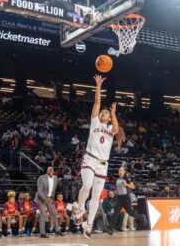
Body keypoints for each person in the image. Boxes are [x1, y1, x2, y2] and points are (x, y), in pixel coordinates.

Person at [72, 75, 123, 239]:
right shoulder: (95, 122)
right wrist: (98, 86)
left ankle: (88, 225)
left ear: (108, 117)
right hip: (90, 159)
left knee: (96, 197)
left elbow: (116, 130)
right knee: (86, 186)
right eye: (103, 112)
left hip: (103, 164)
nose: (103, 112)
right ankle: (79, 208)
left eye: (106, 112)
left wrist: (114, 114)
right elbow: (97, 103)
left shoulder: (110, 128)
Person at [34, 167, 63, 238]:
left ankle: (57, 231)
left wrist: (51, 198)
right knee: (43, 215)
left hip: (50, 198)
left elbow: (53, 189)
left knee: (54, 214)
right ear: (47, 171)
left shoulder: (55, 178)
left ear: (54, 171)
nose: (51, 171)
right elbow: (39, 191)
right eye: (49, 170)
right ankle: (42, 233)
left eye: (52, 170)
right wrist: (46, 199)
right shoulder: (41, 178)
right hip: (41, 198)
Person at [108, 167, 136, 235]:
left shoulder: (126, 178)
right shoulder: (117, 179)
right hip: (119, 197)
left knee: (131, 213)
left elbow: (133, 187)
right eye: (119, 170)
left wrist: (126, 184)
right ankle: (111, 229)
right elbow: (118, 189)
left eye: (121, 170)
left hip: (126, 198)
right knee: (116, 213)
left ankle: (142, 218)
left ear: (124, 172)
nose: (120, 171)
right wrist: (115, 192)